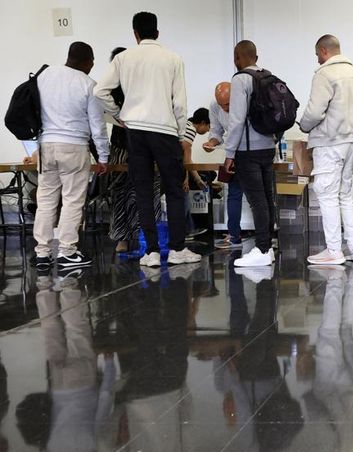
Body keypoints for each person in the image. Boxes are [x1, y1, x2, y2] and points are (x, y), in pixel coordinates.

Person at [94, 11, 201, 267]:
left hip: (135, 132)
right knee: (174, 190)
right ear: (158, 32)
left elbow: (99, 91)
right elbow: (180, 104)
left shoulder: (123, 58)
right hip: (164, 131)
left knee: (142, 190)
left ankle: (150, 252)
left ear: (135, 34)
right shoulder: (172, 58)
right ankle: (177, 249)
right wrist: (177, 132)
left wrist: (120, 115)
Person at [32, 41, 109, 270]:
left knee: (45, 200)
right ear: (87, 61)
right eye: (92, 62)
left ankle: (42, 253)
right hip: (74, 146)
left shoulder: (44, 76)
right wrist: (103, 157)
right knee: (72, 201)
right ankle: (67, 251)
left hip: (46, 145)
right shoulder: (88, 84)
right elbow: (98, 126)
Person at [299, 34, 353, 266]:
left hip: (330, 141)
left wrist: (303, 125)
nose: (317, 60)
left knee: (326, 193)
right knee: (344, 195)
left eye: (317, 55)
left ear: (323, 50)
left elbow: (314, 111)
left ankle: (333, 250)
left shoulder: (325, 74)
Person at [103, 47, 163, 254]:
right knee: (120, 192)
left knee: (149, 191)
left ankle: (149, 239)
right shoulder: (111, 90)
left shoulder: (144, 84)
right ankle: (122, 237)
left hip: (147, 144)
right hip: (121, 146)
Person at [223, 40, 278, 267]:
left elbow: (236, 121)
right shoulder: (269, 77)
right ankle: (269, 247)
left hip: (248, 150)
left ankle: (262, 250)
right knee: (266, 198)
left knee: (257, 201)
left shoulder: (240, 79)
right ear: (256, 56)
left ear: (238, 57)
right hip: (268, 147)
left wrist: (229, 153)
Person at [204, 82, 244, 249]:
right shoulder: (215, 107)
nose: (224, 108)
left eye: (227, 104)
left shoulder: (244, 101)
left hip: (251, 150)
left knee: (259, 197)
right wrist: (211, 142)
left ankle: (268, 236)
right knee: (233, 194)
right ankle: (234, 235)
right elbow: (216, 131)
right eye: (221, 105)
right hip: (231, 154)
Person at [181, 107, 211, 237]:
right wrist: (185, 178)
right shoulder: (190, 130)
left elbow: (186, 157)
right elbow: (185, 159)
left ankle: (188, 229)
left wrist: (197, 179)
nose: (209, 130)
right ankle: (184, 232)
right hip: (174, 168)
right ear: (203, 123)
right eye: (209, 126)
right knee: (183, 199)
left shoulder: (186, 126)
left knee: (184, 199)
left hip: (173, 165)